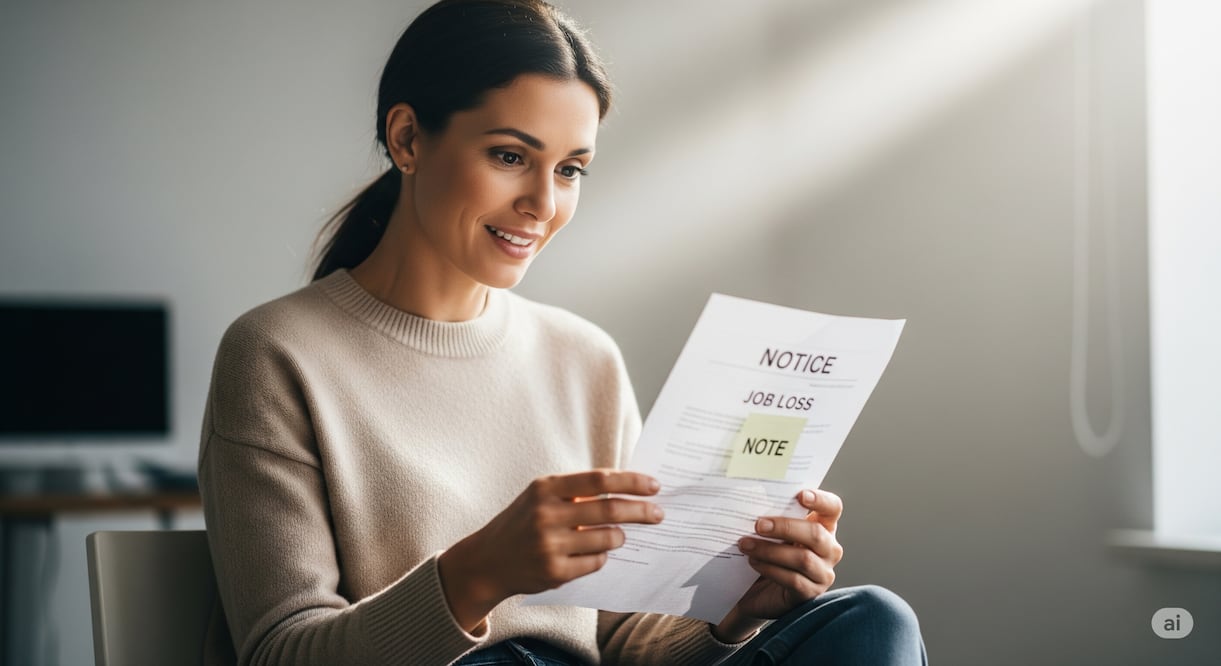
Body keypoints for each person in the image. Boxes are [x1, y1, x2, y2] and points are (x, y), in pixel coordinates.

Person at [197, 1, 928, 664]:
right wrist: (477, 573)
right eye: (510, 156)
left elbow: (618, 640)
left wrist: (736, 614)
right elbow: (282, 654)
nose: (542, 204)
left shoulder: (585, 359)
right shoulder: (277, 354)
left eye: (571, 169)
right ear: (408, 137)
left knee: (871, 619)